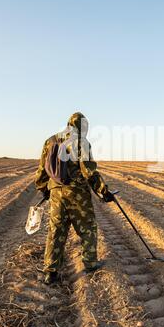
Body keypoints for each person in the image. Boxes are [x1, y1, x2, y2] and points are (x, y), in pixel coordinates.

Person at [35, 112, 114, 284]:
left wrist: (44, 188)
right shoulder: (81, 142)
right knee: (88, 228)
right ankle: (91, 263)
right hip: (77, 193)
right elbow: (89, 171)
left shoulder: (51, 141)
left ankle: (51, 272)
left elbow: (42, 169)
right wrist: (103, 190)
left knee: (56, 231)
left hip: (56, 193)